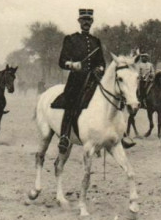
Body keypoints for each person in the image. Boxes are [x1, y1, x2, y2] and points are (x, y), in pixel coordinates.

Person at [53, 8, 134, 153]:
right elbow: (61, 61)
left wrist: (100, 68)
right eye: (83, 20)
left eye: (89, 20)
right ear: (79, 21)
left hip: (94, 79)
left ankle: (122, 134)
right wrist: (72, 65)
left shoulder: (95, 41)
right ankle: (64, 136)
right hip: (76, 80)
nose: (86, 23)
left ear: (92, 22)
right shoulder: (71, 39)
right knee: (71, 101)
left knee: (115, 98)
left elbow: (101, 62)